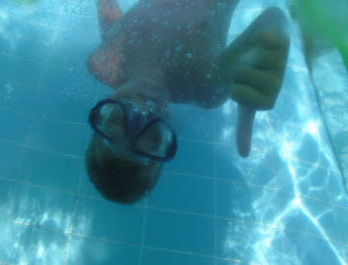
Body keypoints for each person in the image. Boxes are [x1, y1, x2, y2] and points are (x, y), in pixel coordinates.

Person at [85, 0, 290, 204]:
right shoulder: (205, 86)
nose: (141, 108)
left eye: (118, 120)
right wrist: (271, 40)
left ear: (103, 111)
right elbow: (273, 19)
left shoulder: (107, 61)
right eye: (151, 135)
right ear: (168, 138)